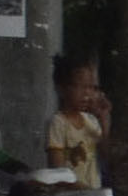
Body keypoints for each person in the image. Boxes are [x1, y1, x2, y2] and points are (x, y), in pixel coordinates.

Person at [44, 54, 107, 189]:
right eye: (80, 87)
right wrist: (91, 195)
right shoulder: (58, 123)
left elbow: (106, 154)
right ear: (61, 89)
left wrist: (104, 120)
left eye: (91, 87)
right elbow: (58, 173)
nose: (87, 94)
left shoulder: (92, 121)